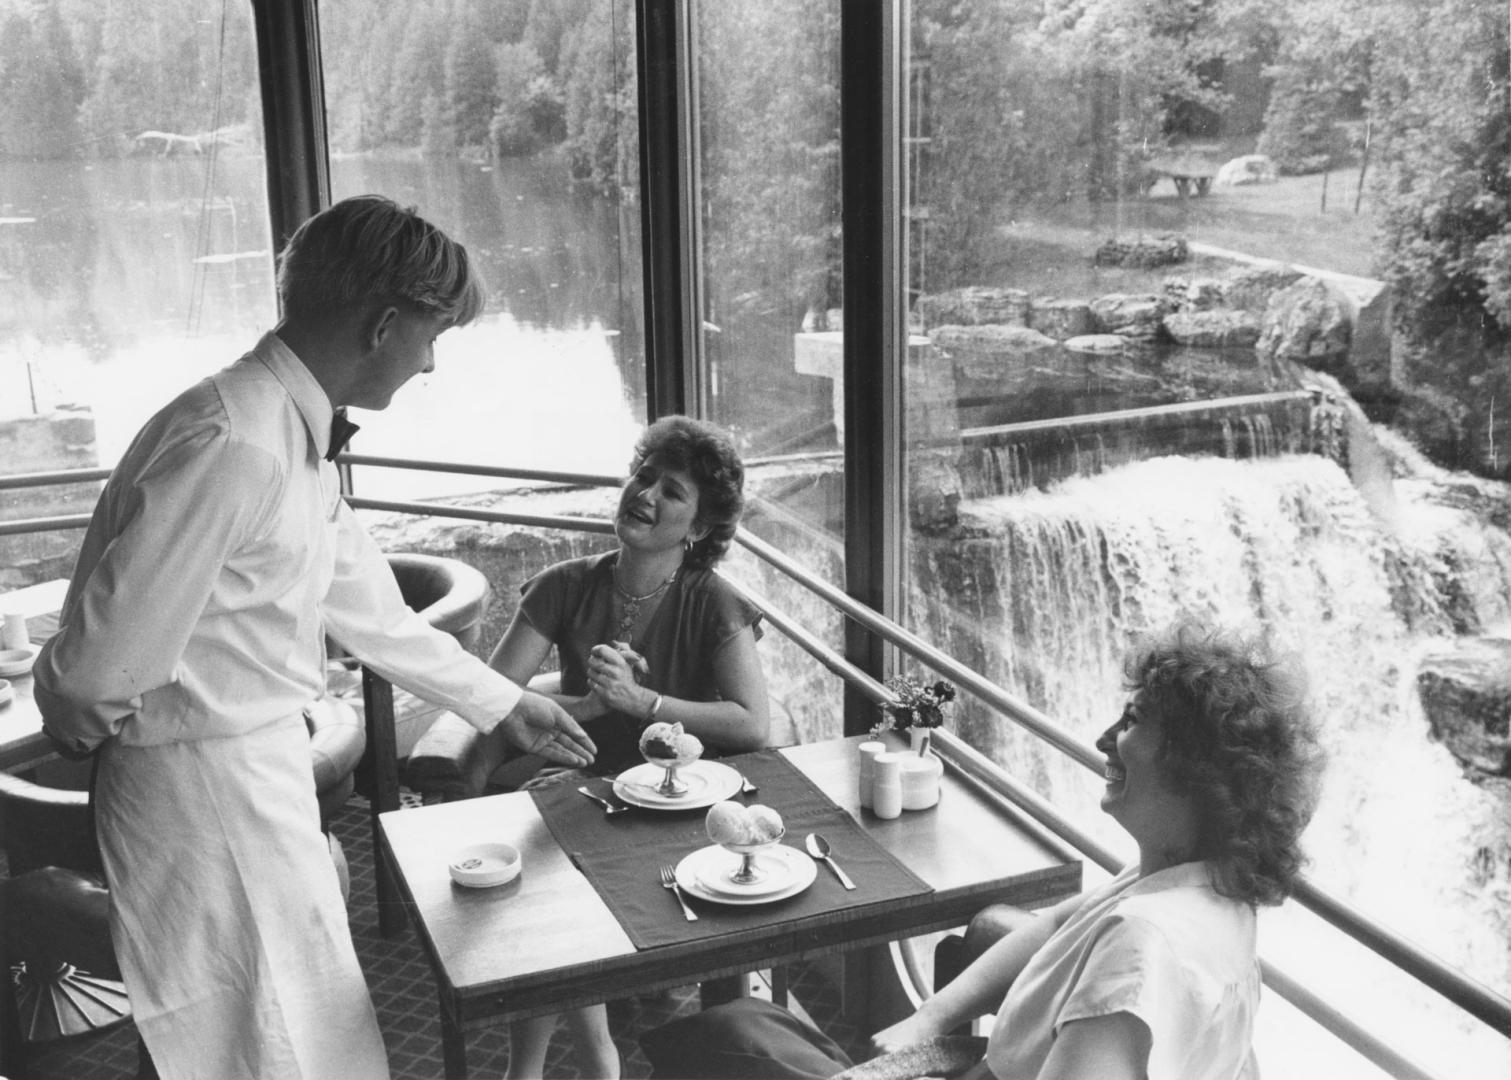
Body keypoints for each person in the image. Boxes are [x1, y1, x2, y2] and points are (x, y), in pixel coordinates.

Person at [31, 195, 597, 1080]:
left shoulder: (285, 437)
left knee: (284, 1032)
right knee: (236, 1044)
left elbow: (370, 612)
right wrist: (91, 732)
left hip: (254, 777)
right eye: (432, 335)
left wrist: (504, 702)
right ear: (383, 324)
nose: (432, 363)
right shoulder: (234, 445)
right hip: (198, 794)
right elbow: (90, 678)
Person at [640, 619, 1325, 1080]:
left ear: (1196, 768)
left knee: (728, 1041)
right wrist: (933, 1015)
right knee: (742, 1029)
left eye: (1133, 720)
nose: (1103, 738)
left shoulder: (1144, 945)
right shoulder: (1196, 884)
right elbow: (1057, 924)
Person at [485, 414, 770, 1079]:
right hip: (584, 781)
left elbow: (751, 724)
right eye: (644, 476)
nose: (644, 494)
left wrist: (644, 704)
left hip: (682, 800)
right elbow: (491, 692)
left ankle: (563, 1061)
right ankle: (580, 1056)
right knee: (552, 864)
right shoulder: (566, 584)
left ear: (698, 528)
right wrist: (584, 706)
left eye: (671, 491)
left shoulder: (713, 602)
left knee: (561, 878)